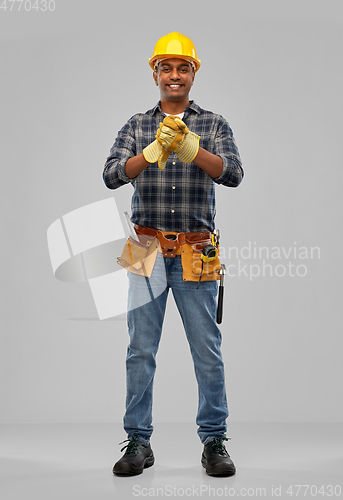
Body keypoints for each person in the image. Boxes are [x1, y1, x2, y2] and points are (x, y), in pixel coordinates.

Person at [103, 32, 244, 477]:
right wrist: (150, 153)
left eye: (183, 68)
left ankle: (215, 441)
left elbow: (235, 174)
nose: (175, 75)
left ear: (193, 73)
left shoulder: (215, 124)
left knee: (206, 350)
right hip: (145, 248)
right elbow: (110, 176)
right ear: (155, 74)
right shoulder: (136, 125)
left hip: (196, 252)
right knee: (140, 349)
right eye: (167, 68)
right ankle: (137, 442)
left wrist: (190, 149)